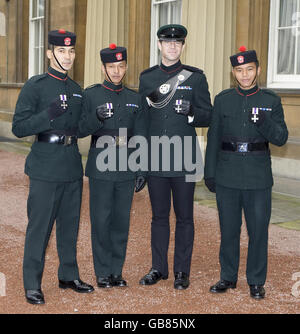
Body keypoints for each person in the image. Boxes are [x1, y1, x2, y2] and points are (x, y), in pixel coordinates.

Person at [12, 29, 94, 305]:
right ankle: (32, 283)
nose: (68, 56)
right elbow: (19, 127)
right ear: (49, 53)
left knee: (70, 227)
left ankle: (68, 275)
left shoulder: (76, 90)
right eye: (61, 51)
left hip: (71, 165)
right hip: (45, 167)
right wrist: (47, 115)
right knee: (40, 228)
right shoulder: (35, 85)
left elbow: (80, 129)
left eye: (71, 51)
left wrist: (96, 120)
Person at [204, 46, 288, 299]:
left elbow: (281, 138)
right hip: (227, 174)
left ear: (258, 70)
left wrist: (263, 122)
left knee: (258, 231)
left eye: (249, 69)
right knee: (228, 230)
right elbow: (214, 137)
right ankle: (228, 277)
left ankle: (256, 280)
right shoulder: (223, 99)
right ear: (233, 72)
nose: (245, 75)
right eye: (239, 71)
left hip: (258, 176)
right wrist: (210, 173)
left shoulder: (270, 101)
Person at [138, 24, 212, 290]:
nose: (173, 47)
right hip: (156, 158)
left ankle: (182, 271)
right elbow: (142, 122)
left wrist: (192, 111)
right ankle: (158, 268)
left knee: (185, 217)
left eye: (178, 43)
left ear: (182, 46)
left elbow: (209, 115)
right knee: (159, 217)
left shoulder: (195, 78)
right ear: (159, 45)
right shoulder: (147, 78)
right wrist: (140, 163)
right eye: (168, 42)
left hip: (185, 158)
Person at [78, 44, 147, 288]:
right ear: (103, 68)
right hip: (101, 164)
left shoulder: (134, 98)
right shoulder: (91, 95)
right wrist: (95, 117)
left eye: (120, 66)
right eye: (111, 67)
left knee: (121, 222)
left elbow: (140, 137)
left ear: (126, 67)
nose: (116, 71)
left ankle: (116, 271)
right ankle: (102, 272)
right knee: (100, 220)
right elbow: (80, 130)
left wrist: (141, 169)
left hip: (127, 166)